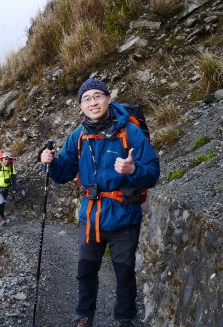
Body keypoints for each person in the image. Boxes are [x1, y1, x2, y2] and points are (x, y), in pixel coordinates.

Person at [40, 78, 160, 327]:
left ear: (108, 99)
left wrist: (132, 170)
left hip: (124, 215)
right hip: (91, 216)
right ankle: (83, 317)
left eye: (97, 96)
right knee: (85, 270)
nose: (93, 102)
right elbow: (64, 174)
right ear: (81, 106)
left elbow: (153, 172)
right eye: (86, 98)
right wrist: (50, 163)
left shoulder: (130, 132)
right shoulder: (78, 136)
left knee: (124, 273)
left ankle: (124, 319)